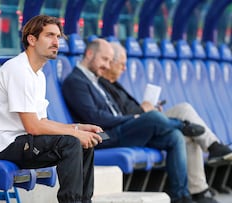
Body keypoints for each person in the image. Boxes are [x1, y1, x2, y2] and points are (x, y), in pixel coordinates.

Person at [0, 15, 104, 203]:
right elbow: (33, 127)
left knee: (85, 144)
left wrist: (78, 128)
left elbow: (41, 122)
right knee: (70, 144)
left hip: (20, 140)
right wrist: (74, 134)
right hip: (0, 145)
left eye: (58, 37)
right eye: (50, 36)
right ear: (32, 39)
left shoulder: (38, 75)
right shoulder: (18, 70)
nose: (56, 42)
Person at [62, 39, 205, 203]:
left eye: (109, 61)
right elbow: (94, 117)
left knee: (174, 137)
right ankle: (182, 125)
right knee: (152, 117)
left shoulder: (95, 80)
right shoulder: (75, 81)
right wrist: (132, 118)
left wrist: (132, 118)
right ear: (89, 54)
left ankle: (181, 195)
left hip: (120, 129)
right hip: (102, 136)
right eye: (104, 59)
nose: (107, 66)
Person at [97, 42, 232, 203]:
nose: (124, 68)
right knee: (184, 113)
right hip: (135, 125)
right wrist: (143, 111)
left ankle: (198, 190)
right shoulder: (98, 85)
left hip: (142, 121)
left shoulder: (114, 85)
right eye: (122, 64)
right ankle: (213, 146)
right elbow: (119, 117)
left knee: (188, 130)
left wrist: (149, 108)